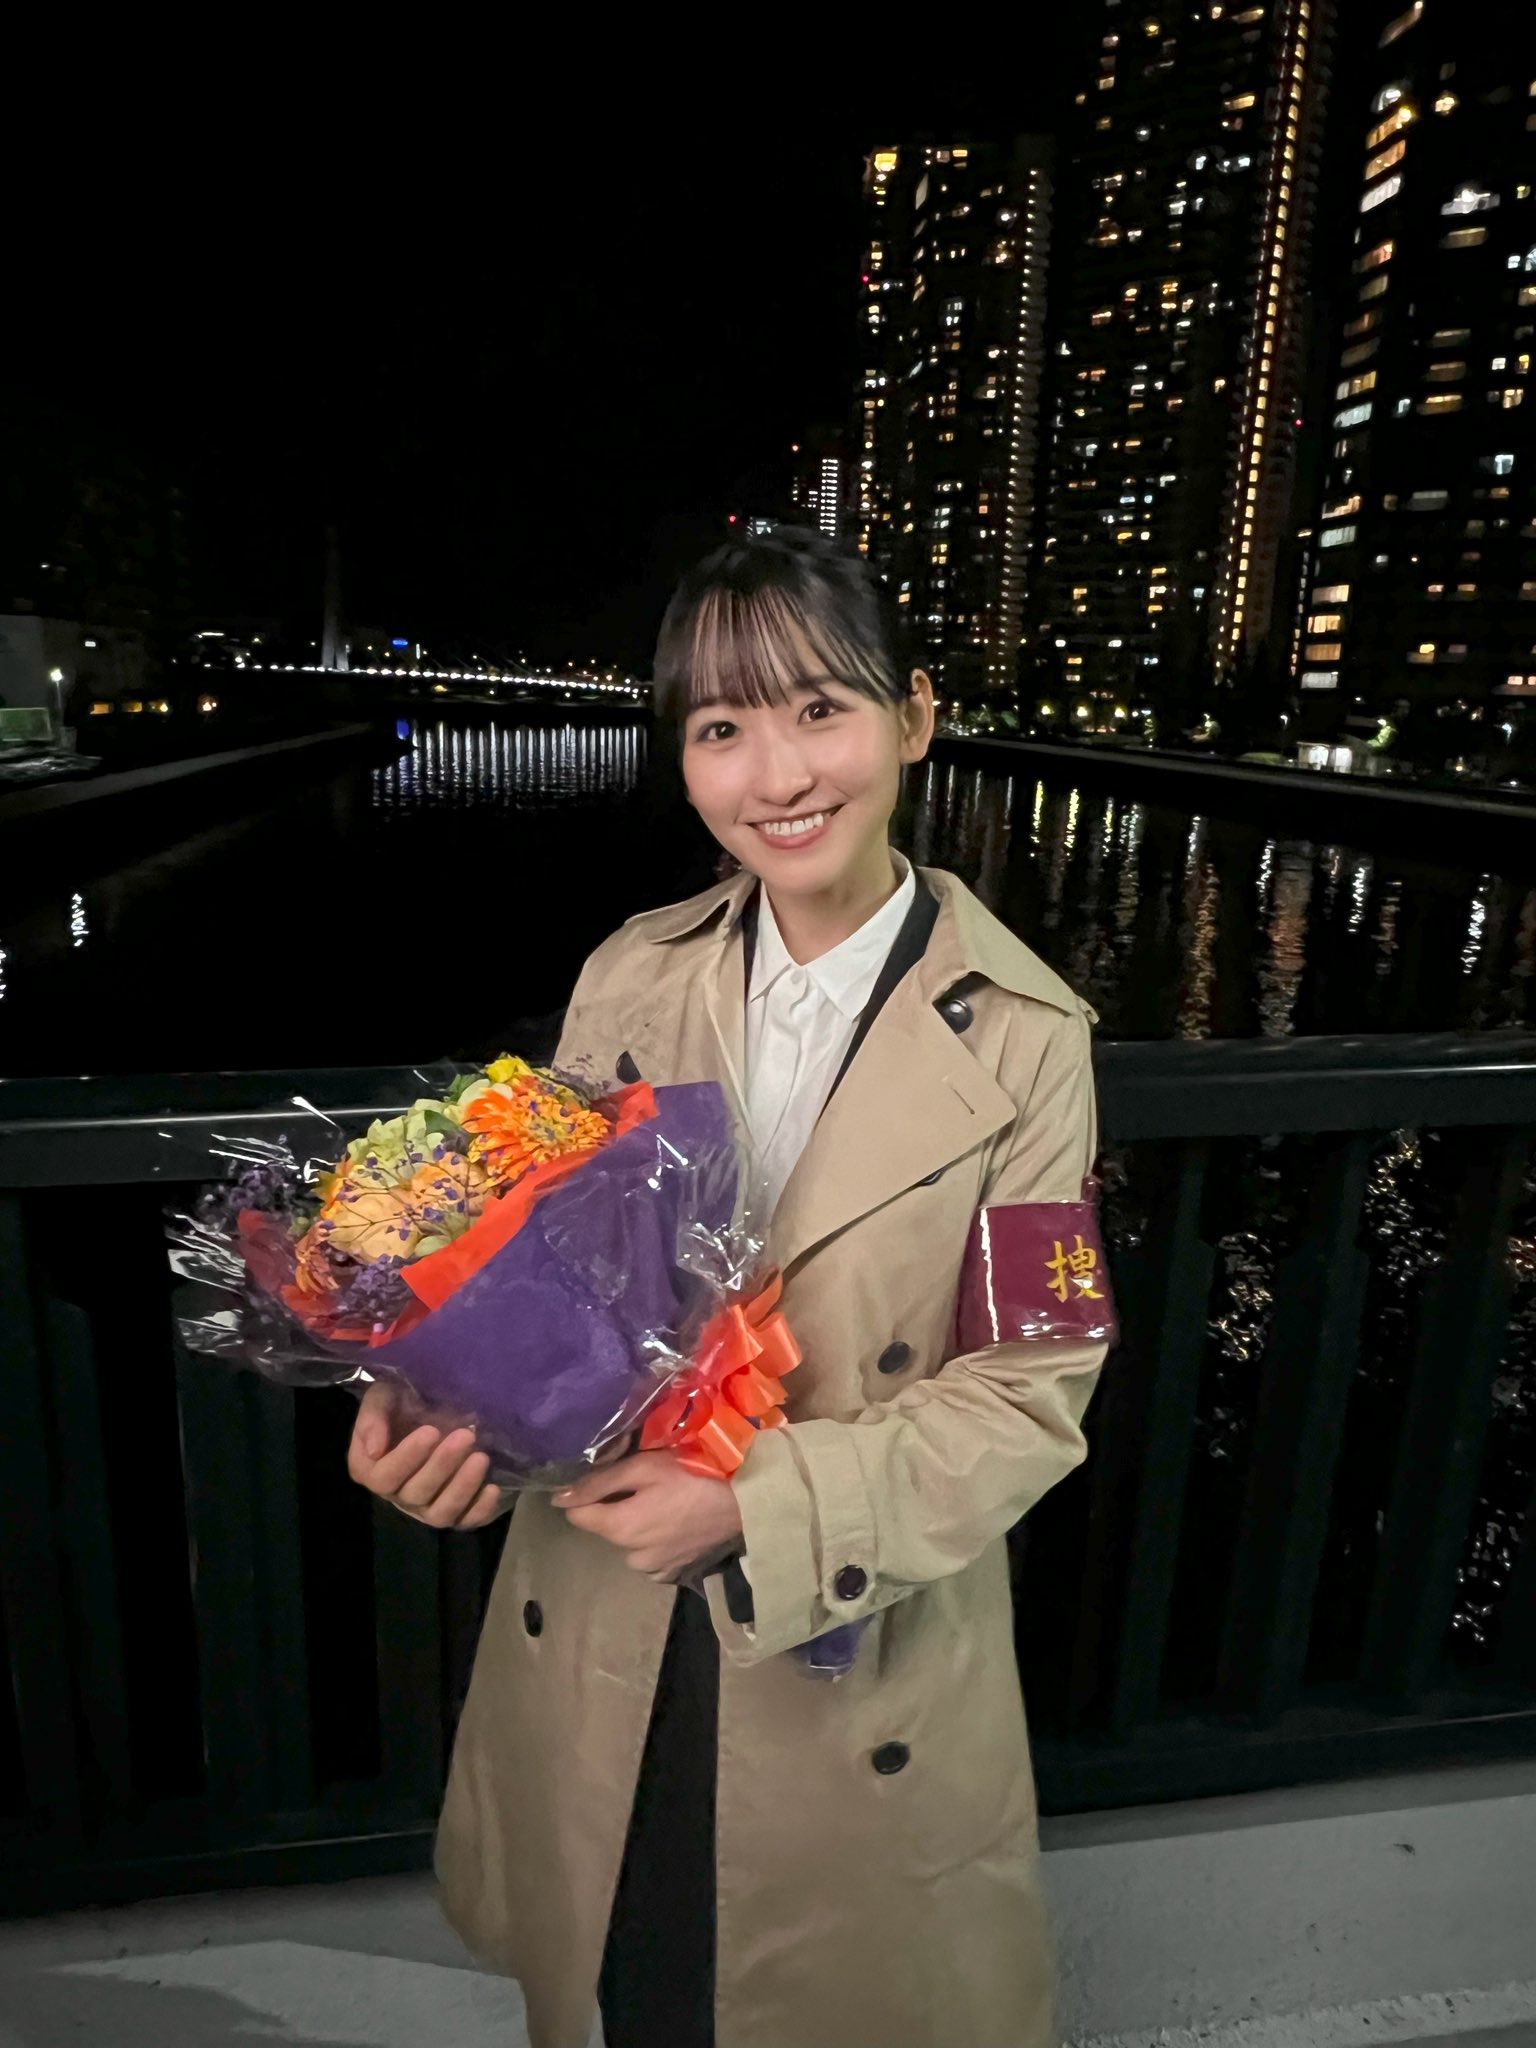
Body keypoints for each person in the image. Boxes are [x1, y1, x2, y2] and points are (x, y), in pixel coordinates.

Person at [346, 528, 1110, 2048]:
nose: (779, 776)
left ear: (914, 718)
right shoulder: (630, 975)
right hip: (610, 1593)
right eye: (722, 728)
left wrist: (759, 1505)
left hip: (846, 1615)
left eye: (822, 709)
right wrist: (442, 1405)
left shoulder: (1030, 1037)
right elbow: (538, 1275)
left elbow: (1035, 1387)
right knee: (620, 1980)